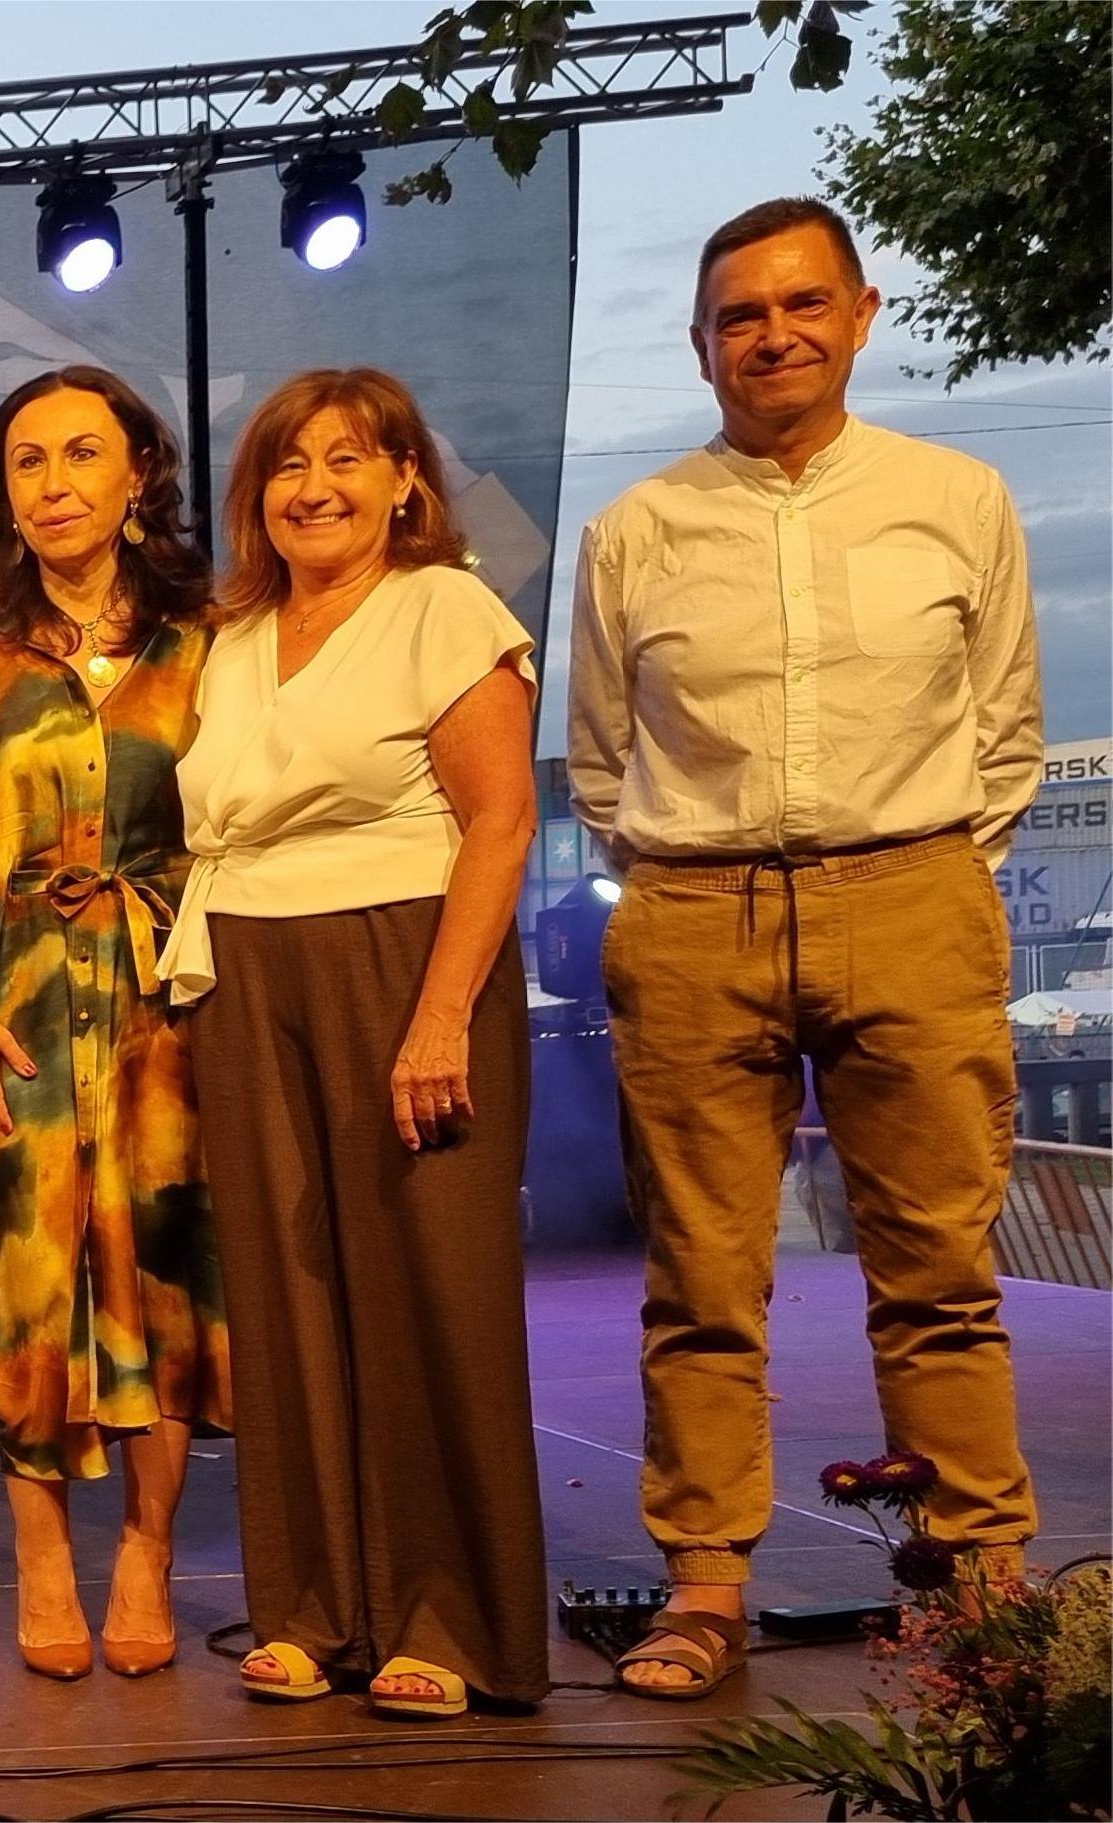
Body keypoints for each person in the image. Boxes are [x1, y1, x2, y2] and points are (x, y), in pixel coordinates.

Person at [571, 198, 1042, 1698]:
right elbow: (600, 761)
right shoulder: (633, 530)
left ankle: (981, 1582)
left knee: (940, 1269)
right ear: (700, 342)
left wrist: (915, 875)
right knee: (699, 1280)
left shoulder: (955, 498)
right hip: (694, 915)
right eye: (740, 315)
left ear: (857, 313)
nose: (771, 335)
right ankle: (703, 1583)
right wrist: (686, 881)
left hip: (912, 896)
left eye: (799, 304)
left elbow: (1005, 732)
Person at [165, 369, 547, 1720]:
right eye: (286, 463)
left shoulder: (443, 607)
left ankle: (450, 1618)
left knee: (430, 1286)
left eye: (346, 458)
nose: (313, 486)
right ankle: (312, 1606)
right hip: (248, 965)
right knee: (285, 1293)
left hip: (405, 954)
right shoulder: (232, 634)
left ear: (403, 480)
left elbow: (499, 820)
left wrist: (439, 1013)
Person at [0, 367, 226, 1682]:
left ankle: (145, 1548)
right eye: (28, 461)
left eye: (82, 453)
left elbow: (244, 834)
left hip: (169, 1020)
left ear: (137, 474)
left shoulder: (208, 650)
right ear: (3, 496)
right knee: (23, 1290)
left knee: (165, 1283)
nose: (55, 482)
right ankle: (40, 1551)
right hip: (11, 1019)